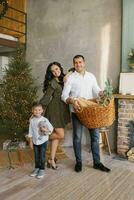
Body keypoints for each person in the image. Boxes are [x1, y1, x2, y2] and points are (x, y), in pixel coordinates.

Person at [61, 55, 111, 173]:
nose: (78, 64)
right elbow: (64, 95)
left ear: (84, 63)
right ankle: (79, 162)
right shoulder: (70, 78)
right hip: (77, 112)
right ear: (74, 65)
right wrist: (72, 100)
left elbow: (97, 90)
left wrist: (102, 93)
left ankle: (97, 163)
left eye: (80, 62)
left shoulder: (91, 76)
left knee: (94, 137)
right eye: (76, 63)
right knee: (77, 138)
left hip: (91, 112)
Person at [40, 62, 70, 169]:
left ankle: (51, 159)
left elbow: (74, 70)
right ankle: (40, 137)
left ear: (60, 68)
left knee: (56, 138)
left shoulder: (64, 78)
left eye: (57, 69)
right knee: (60, 135)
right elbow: (46, 98)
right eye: (53, 71)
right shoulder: (52, 82)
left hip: (62, 109)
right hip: (54, 110)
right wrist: (37, 111)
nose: (56, 72)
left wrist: (67, 76)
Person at [28, 102, 53, 178]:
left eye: (39, 110)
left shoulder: (45, 120)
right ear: (32, 111)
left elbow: (51, 128)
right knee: (36, 156)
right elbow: (30, 132)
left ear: (42, 110)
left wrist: (46, 131)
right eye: (35, 110)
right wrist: (31, 142)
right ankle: (37, 168)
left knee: (42, 156)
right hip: (35, 142)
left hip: (43, 141)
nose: (37, 111)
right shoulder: (32, 121)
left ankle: (41, 169)